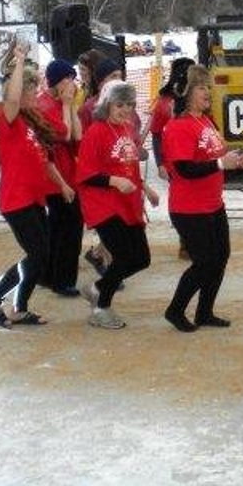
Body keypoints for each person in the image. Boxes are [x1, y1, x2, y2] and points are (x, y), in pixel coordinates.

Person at [161, 65, 243, 332]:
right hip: (189, 208)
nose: (208, 93)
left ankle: (204, 312)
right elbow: (184, 169)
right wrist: (221, 163)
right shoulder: (179, 126)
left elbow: (215, 157)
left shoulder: (205, 121)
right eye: (202, 87)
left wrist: (237, 159)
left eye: (209, 87)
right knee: (204, 263)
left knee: (220, 257)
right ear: (187, 92)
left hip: (212, 204)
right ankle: (175, 310)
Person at [0, 41, 61, 327]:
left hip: (33, 199)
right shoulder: (8, 120)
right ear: (20, 92)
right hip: (16, 199)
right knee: (37, 254)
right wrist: (20, 61)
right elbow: (11, 100)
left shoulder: (29, 122)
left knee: (42, 255)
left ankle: (20, 308)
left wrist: (62, 185)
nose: (36, 93)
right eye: (31, 90)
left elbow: (43, 161)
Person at [76, 80, 160, 329]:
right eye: (120, 104)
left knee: (141, 259)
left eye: (130, 104)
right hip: (103, 205)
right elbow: (85, 174)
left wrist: (145, 187)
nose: (125, 109)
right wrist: (115, 181)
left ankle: (97, 288)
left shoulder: (125, 128)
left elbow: (128, 168)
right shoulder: (96, 131)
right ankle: (100, 308)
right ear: (107, 105)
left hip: (127, 203)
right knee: (122, 257)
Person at [36, 58, 84, 297]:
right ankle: (63, 280)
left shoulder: (59, 102)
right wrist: (66, 105)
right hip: (55, 179)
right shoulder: (44, 104)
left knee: (59, 228)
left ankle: (49, 275)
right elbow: (64, 135)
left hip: (67, 174)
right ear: (56, 81)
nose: (72, 83)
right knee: (69, 229)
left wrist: (71, 106)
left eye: (73, 78)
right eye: (68, 79)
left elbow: (77, 136)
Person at [141, 56, 195, 261]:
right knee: (184, 202)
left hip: (196, 157)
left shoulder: (197, 98)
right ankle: (186, 244)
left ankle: (193, 241)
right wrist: (160, 163)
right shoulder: (165, 102)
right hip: (176, 161)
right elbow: (156, 134)